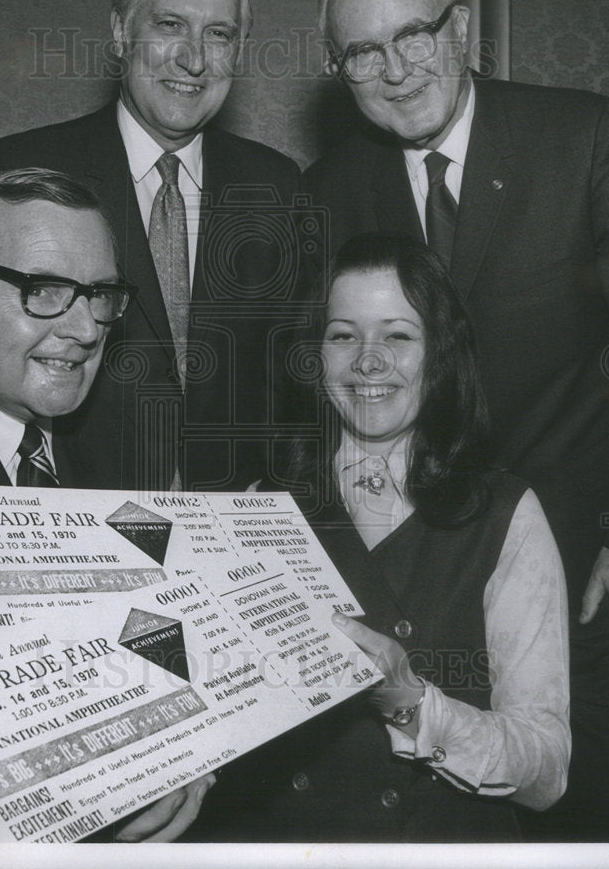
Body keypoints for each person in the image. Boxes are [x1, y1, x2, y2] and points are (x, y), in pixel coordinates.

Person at [303, 0, 609, 841]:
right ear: (341, 73)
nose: (396, 69)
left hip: (582, 557)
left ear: (463, 29)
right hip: (416, 565)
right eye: (363, 52)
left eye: (414, 34)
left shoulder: (587, 135)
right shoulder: (332, 188)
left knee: (586, 812)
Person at [185, 234, 570, 843]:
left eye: (397, 335)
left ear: (439, 353)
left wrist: (407, 701)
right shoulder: (260, 507)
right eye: (342, 335)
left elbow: (546, 771)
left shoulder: (508, 514)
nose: (368, 360)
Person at [0, 0, 303, 493]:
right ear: (119, 32)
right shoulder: (22, 165)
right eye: (169, 25)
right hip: (68, 516)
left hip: (231, 530)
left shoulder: (276, 185)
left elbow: (298, 368)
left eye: (219, 34)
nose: (195, 58)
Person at [0, 168, 213, 842]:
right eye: (43, 291)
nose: (86, 329)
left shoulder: (122, 431)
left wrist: (187, 752)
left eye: (102, 295)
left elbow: (155, 621)